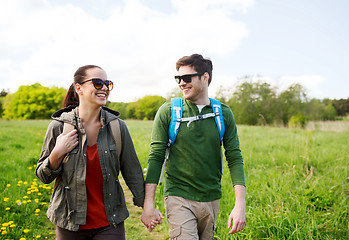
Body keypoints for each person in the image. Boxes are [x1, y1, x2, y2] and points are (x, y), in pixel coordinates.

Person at [36, 65, 151, 240]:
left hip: (109, 223)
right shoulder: (59, 127)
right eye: (97, 83)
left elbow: (132, 171)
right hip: (69, 223)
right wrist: (57, 153)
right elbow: (43, 176)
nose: (104, 88)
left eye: (107, 83)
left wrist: (147, 207)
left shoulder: (117, 127)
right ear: (78, 88)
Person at [141, 54, 246, 239]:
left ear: (205, 77)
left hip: (212, 198)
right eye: (178, 79)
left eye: (187, 78)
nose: (181, 83)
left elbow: (235, 158)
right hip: (178, 196)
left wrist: (240, 205)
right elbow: (156, 157)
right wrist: (148, 204)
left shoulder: (223, 114)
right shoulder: (168, 112)